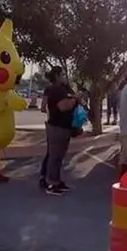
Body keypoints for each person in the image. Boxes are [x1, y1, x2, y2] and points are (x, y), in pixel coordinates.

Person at [42, 66, 77, 195]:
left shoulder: (62, 89)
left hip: (61, 126)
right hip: (57, 127)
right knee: (55, 156)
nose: (65, 77)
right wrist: (75, 99)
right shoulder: (57, 90)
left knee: (58, 156)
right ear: (57, 76)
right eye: (63, 74)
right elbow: (63, 107)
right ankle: (51, 183)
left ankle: (56, 180)